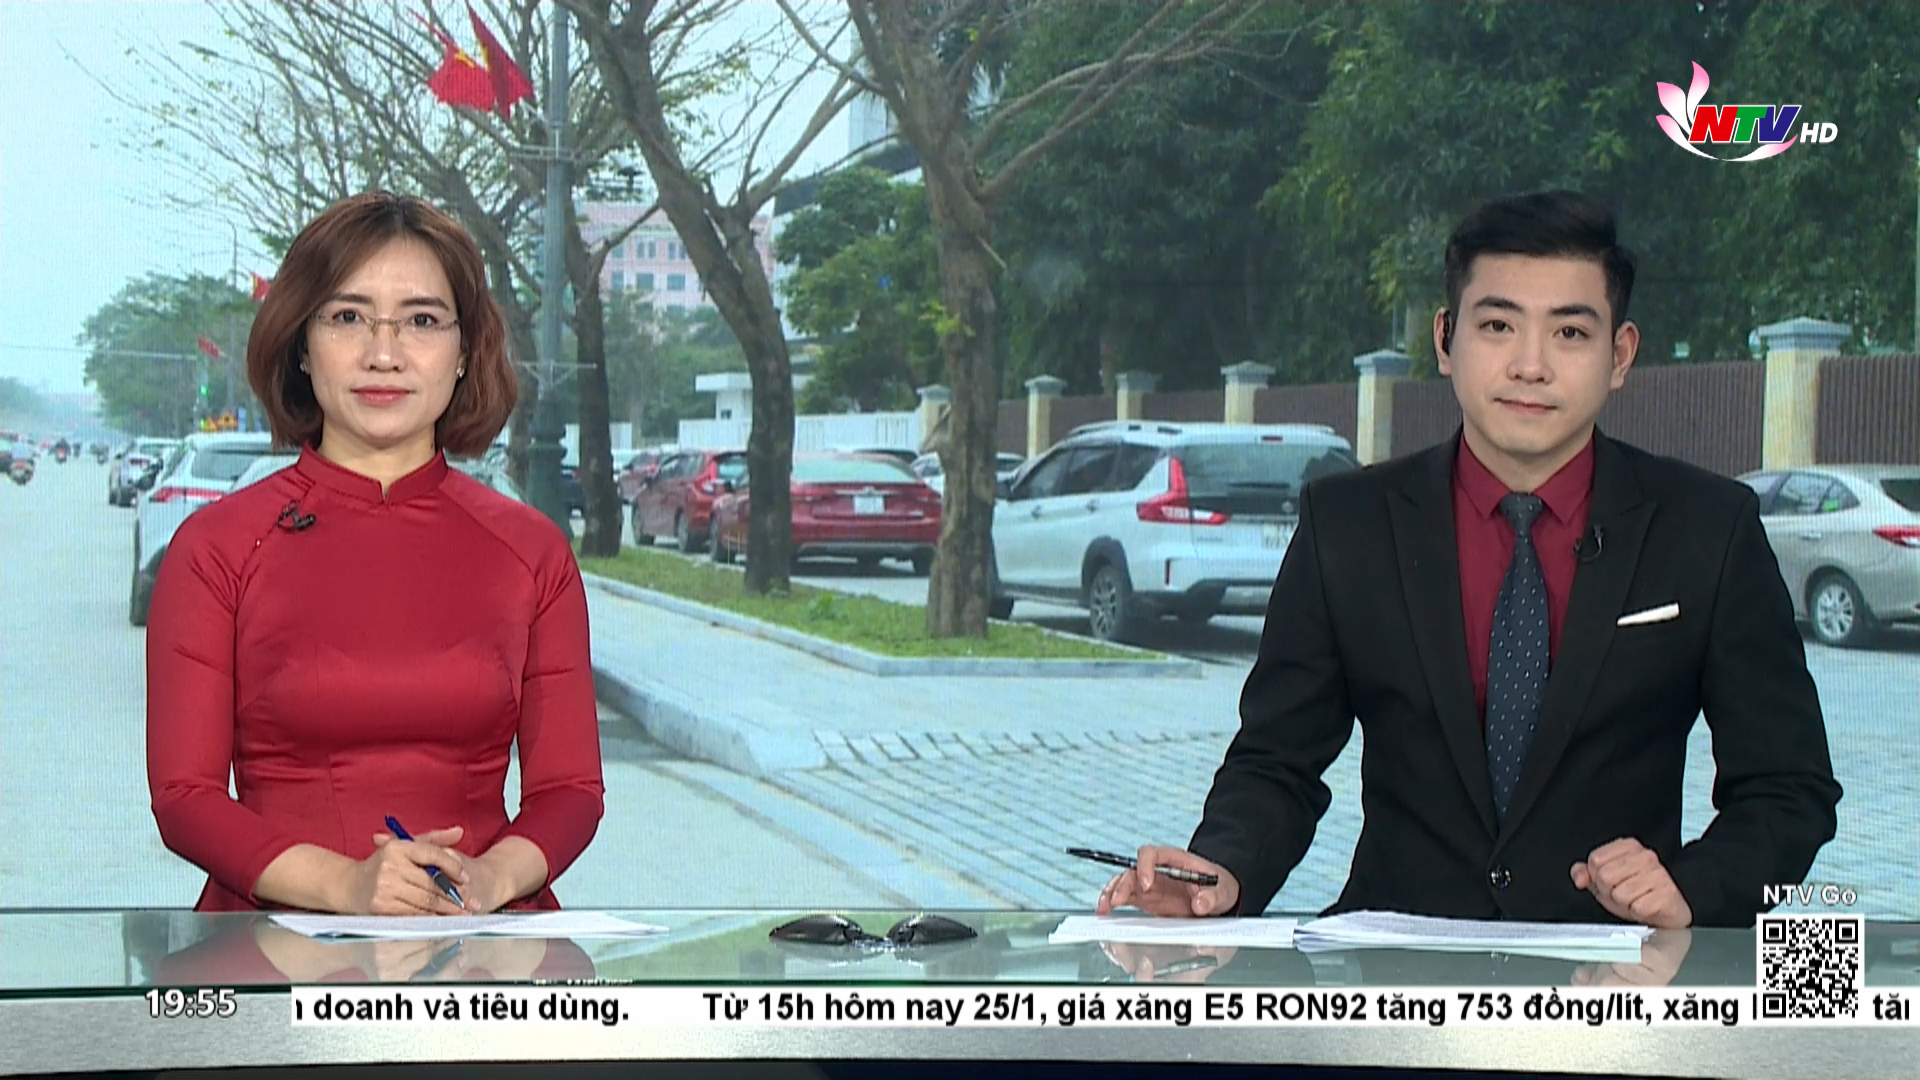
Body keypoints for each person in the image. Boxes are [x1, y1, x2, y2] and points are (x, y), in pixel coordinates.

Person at [1097, 190, 1840, 929]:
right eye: (1497, 325)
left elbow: (1789, 788)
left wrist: (1691, 888)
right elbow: (1277, 761)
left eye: (1569, 333)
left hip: (1614, 966)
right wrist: (1221, 871)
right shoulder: (1348, 524)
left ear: (1619, 356)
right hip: (1394, 963)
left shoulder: (1708, 528)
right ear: (1446, 340)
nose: (1530, 365)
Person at [147, 191, 605, 915]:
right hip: (270, 945)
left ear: (464, 351)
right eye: (347, 317)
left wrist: (487, 880)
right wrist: (347, 885)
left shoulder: (532, 551)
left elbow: (570, 790)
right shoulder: (217, 548)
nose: (383, 354)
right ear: (302, 345)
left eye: (421, 320)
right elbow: (184, 797)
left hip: (481, 937)